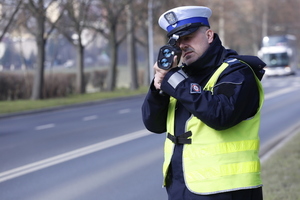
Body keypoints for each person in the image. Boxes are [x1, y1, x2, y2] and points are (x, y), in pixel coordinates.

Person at [141, 6, 266, 200]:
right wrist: (158, 88)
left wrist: (174, 79)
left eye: (188, 37)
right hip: (182, 188)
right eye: (177, 41)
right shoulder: (181, 78)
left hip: (228, 190)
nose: (182, 46)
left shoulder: (237, 72)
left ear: (209, 35)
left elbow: (221, 116)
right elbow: (153, 124)